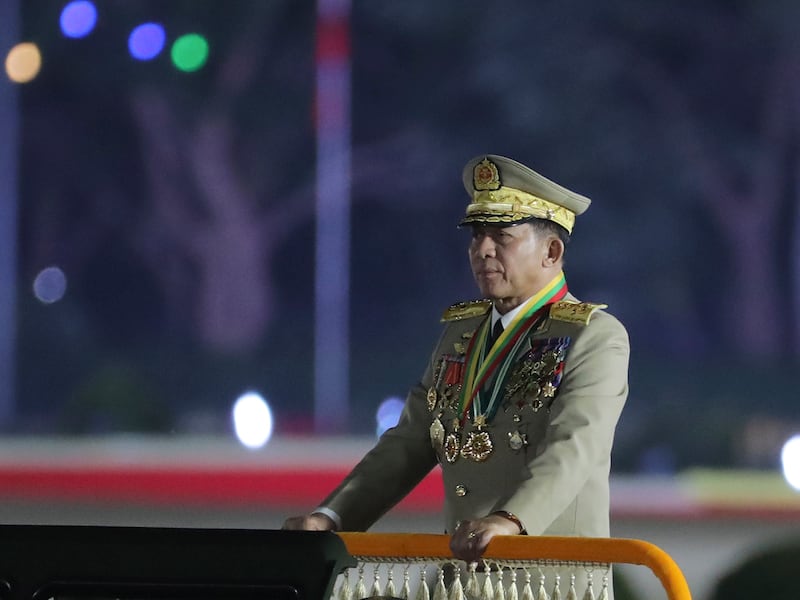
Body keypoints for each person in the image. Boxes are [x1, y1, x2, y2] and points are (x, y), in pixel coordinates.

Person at [284, 154, 629, 569]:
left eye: (502, 236)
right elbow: (409, 441)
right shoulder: (462, 335)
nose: (482, 250)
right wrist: (332, 518)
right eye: (477, 235)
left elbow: (575, 446)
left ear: (551, 251)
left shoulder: (593, 336)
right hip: (465, 576)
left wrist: (509, 521)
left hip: (549, 576)